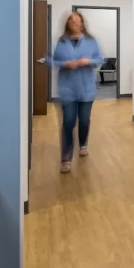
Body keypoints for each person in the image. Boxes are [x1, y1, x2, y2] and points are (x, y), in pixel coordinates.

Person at [51, 11, 103, 173]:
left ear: (82, 24)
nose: (74, 24)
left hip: (86, 89)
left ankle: (83, 144)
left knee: (85, 120)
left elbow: (100, 59)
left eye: (77, 21)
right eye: (71, 21)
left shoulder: (90, 41)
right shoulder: (62, 42)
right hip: (67, 90)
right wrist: (65, 63)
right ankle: (66, 158)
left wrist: (88, 61)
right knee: (68, 122)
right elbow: (52, 60)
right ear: (68, 24)